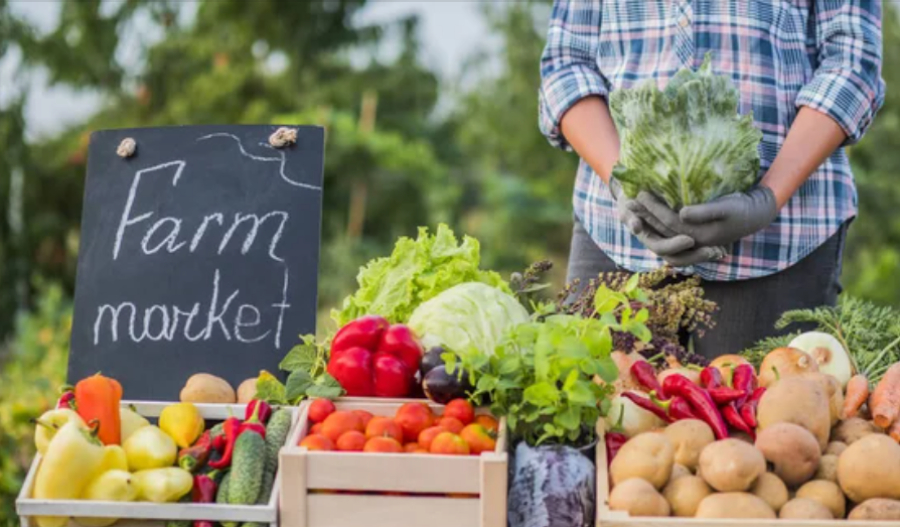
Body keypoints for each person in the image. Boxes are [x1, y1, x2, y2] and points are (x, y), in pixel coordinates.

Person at [539, 0, 885, 358]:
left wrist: (768, 197)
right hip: (618, 233)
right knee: (596, 404)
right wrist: (620, 180)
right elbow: (567, 64)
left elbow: (852, 62)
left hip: (780, 238)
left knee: (772, 410)